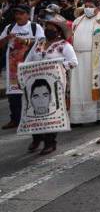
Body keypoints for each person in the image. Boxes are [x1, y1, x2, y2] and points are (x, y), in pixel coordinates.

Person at [24, 15, 77, 155]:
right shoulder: (39, 43)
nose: (48, 31)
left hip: (55, 83)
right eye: (47, 28)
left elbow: (73, 62)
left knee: (51, 112)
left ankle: (50, 142)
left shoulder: (64, 46)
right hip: (35, 82)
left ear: (58, 31)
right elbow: (28, 60)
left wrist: (57, 67)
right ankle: (36, 139)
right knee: (34, 111)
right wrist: (23, 72)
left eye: (51, 29)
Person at [1, 4, 46, 129]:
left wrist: (24, 41)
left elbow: (42, 43)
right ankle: (15, 119)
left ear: (27, 15)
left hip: (30, 66)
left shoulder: (34, 27)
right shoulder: (10, 27)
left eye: (21, 14)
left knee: (31, 92)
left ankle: (33, 118)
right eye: (16, 14)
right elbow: (1, 44)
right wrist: (6, 38)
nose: (18, 16)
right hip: (13, 68)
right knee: (13, 94)